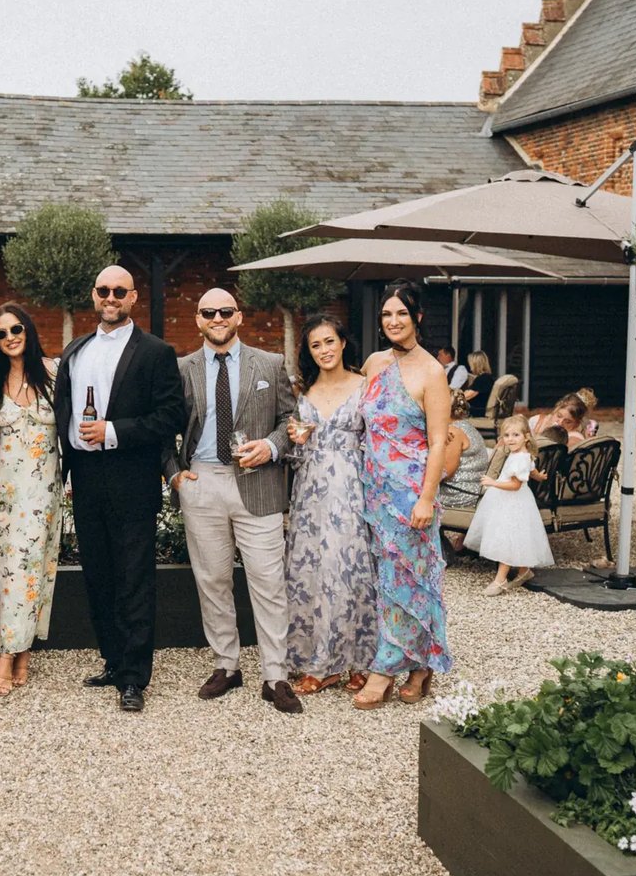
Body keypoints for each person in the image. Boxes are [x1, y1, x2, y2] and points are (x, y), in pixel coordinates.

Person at [54, 265, 186, 713]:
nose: (110, 298)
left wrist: (113, 431)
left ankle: (134, 676)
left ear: (133, 298)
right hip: (86, 476)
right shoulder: (76, 349)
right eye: (103, 290)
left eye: (119, 291)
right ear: (94, 295)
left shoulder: (156, 352)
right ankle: (112, 659)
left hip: (131, 476)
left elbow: (170, 417)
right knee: (98, 574)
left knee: (134, 578)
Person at [165, 289, 301, 714]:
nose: (218, 318)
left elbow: (289, 419)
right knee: (212, 580)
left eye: (225, 311)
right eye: (209, 312)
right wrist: (174, 473)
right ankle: (227, 665)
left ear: (239, 317)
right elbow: (162, 424)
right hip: (202, 481)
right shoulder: (182, 368)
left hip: (258, 481)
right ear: (198, 319)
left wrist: (272, 447)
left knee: (269, 581)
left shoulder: (270, 363)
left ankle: (275, 676)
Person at [354, 281, 453, 710]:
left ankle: (386, 669)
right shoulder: (373, 363)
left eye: (401, 314)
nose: (393, 322)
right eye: (387, 314)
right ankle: (422, 661)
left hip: (411, 492)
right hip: (373, 490)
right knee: (388, 579)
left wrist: (426, 498)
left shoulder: (432, 372)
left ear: (418, 318)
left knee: (407, 579)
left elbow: (439, 441)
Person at [280, 314, 377, 699]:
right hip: (311, 491)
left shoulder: (364, 386)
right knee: (312, 572)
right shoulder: (304, 392)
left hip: (351, 487)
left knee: (350, 569)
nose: (324, 350)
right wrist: (296, 440)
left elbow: (380, 438)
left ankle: (358, 658)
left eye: (329, 341)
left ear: (343, 343)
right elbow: (294, 452)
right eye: (316, 345)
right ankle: (319, 662)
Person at [0, 304, 61, 696]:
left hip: (42, 495)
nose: (10, 337)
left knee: (31, 572)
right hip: (0, 495)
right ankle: (13, 649)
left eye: (16, 329)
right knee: (1, 574)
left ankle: (12, 654)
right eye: (1, 333)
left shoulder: (54, 373)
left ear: (28, 330)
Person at [466, 415, 555, 596]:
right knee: (515, 536)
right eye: (506, 435)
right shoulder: (522, 455)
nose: (510, 439)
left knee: (507, 539)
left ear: (526, 437)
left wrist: (493, 482)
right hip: (507, 501)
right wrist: (539, 476)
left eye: (516, 435)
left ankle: (500, 580)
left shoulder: (520, 458)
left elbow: (515, 485)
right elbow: (532, 469)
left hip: (513, 501)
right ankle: (524, 571)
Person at [439, 388, 488, 511]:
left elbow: (446, 472)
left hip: (458, 494)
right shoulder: (466, 425)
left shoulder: (452, 432)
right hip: (474, 490)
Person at [463, 350, 495, 417]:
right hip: (479, 410)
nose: (470, 367)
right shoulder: (487, 377)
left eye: (470, 364)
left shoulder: (482, 379)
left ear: (475, 364)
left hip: (476, 412)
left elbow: (466, 397)